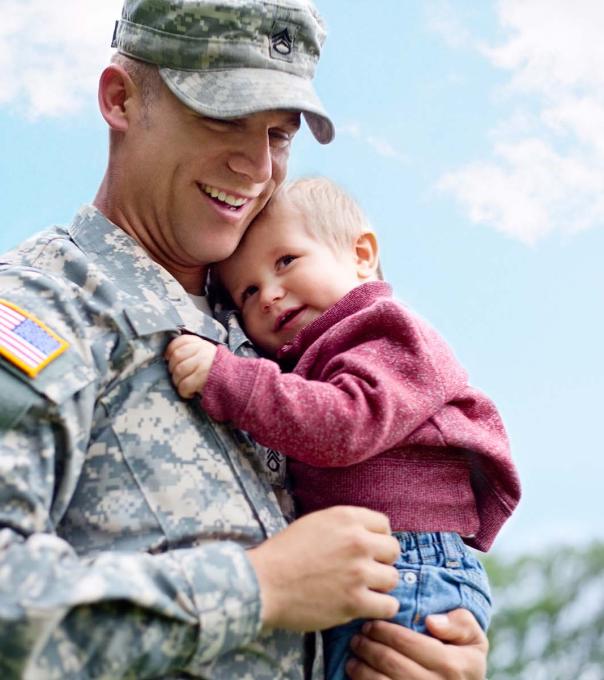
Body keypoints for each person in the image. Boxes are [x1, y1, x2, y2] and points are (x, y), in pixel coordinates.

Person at [0, 1, 490, 678]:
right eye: (223, 115)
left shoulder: (279, 334)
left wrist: (429, 644)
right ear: (120, 99)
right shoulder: (40, 308)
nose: (256, 165)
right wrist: (260, 588)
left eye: (280, 134)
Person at [166, 177, 521, 678]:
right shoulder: (309, 355)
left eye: (285, 261)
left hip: (407, 563)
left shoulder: (385, 331)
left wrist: (227, 378)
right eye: (246, 292)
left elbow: (346, 424)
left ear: (361, 254)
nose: (267, 295)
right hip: (367, 564)